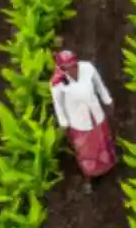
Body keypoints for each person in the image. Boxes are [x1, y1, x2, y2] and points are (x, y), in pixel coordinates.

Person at [50, 49, 117, 179]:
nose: (72, 70)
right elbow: (59, 105)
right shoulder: (57, 84)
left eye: (74, 66)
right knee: (87, 147)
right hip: (78, 120)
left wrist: (107, 100)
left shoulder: (88, 68)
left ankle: (107, 164)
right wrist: (64, 123)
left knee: (101, 139)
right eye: (67, 68)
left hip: (96, 114)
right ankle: (91, 173)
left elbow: (99, 86)